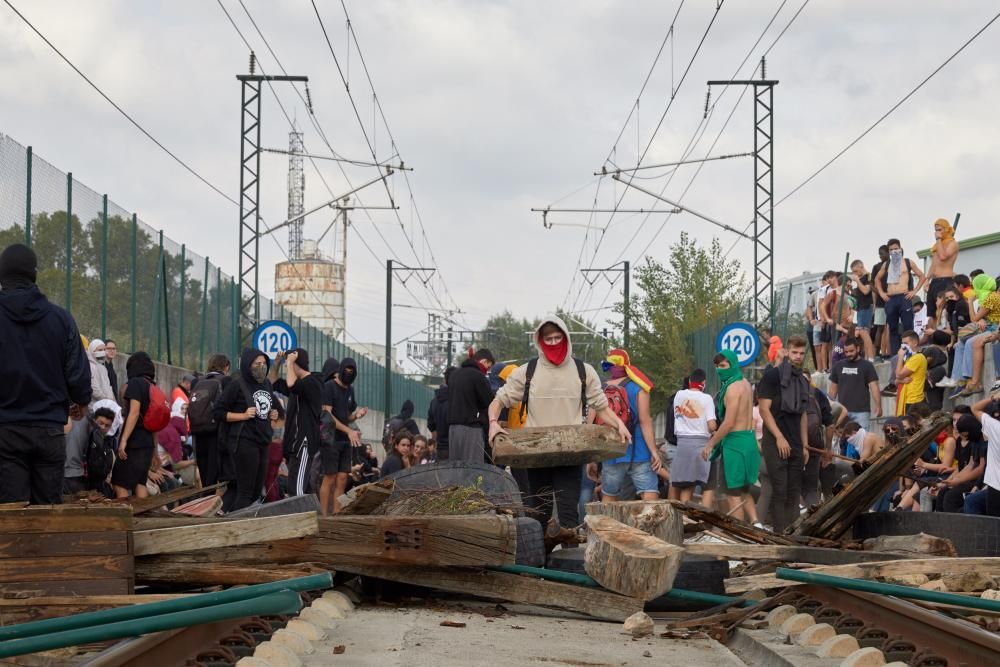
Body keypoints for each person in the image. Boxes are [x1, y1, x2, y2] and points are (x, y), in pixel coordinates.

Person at [488, 316, 630, 531]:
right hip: (536, 455)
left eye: (557, 337)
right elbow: (499, 400)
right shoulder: (527, 371)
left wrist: (619, 424)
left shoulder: (584, 371)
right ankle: (538, 552)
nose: (554, 343)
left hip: (570, 454)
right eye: (548, 339)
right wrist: (492, 422)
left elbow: (601, 407)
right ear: (540, 341)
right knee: (539, 514)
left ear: (566, 337)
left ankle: (569, 553)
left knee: (568, 514)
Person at [0, 244, 92, 504]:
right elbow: (78, 373)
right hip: (49, 430)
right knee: (48, 514)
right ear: (34, 274)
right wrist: (81, 402)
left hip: (5, 430)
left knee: (11, 514)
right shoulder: (61, 319)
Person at [214, 348, 283, 511]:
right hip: (244, 441)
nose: (261, 366)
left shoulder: (266, 384)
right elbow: (218, 412)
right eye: (257, 363)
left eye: (264, 363)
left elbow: (273, 410)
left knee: (256, 491)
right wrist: (243, 415)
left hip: (263, 441)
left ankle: (230, 517)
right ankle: (237, 523)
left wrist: (273, 414)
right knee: (245, 491)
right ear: (247, 365)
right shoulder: (237, 384)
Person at [756, 334, 811, 533]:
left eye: (801, 353)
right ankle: (780, 534)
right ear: (787, 351)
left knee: (794, 493)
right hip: (774, 441)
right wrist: (779, 437)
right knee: (779, 490)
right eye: (794, 352)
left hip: (796, 442)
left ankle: (792, 535)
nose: (798, 356)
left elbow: (803, 414)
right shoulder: (772, 376)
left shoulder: (803, 380)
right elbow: (764, 410)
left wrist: (805, 445)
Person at [701, 350, 762, 526]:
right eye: (717, 366)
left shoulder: (732, 388)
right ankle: (756, 523)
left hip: (735, 444)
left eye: (723, 365)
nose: (719, 370)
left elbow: (728, 423)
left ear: (733, 364)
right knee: (744, 490)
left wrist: (710, 444)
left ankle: (738, 533)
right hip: (748, 440)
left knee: (732, 494)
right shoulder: (746, 384)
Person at [591, 349, 661, 503]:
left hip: (611, 451)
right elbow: (645, 421)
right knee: (649, 496)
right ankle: (650, 520)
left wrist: (591, 458)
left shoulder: (599, 390)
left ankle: (607, 520)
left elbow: (591, 423)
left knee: (609, 496)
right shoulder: (639, 387)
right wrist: (654, 451)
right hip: (639, 451)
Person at [875, 238, 927, 395]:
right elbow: (877, 279)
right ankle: (895, 355)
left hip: (904, 297)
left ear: (900, 248)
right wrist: (882, 293)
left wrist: (914, 291)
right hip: (891, 297)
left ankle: (912, 352)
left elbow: (922, 276)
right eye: (891, 249)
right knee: (891, 328)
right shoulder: (886, 264)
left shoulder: (908, 262)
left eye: (896, 248)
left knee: (908, 327)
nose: (894, 251)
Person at [320, 357, 367, 514]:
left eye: (351, 372)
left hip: (345, 440)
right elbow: (328, 415)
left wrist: (357, 416)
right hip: (330, 438)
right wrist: (349, 431)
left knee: (342, 478)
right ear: (340, 371)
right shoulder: (329, 387)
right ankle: (323, 515)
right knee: (330, 477)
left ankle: (337, 514)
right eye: (346, 371)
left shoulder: (350, 390)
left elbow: (346, 416)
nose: (348, 374)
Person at [274, 349, 323, 497]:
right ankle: (309, 510)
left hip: (304, 443)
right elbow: (273, 382)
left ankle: (307, 512)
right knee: (293, 487)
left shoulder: (312, 382)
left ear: (297, 363)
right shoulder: (298, 384)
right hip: (294, 444)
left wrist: (290, 362)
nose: (286, 367)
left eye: (289, 364)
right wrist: (277, 363)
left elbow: (291, 384)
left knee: (298, 490)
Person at [111, 352, 159, 499]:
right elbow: (155, 424)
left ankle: (127, 513)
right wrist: (155, 451)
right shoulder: (153, 387)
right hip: (147, 443)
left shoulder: (135, 383)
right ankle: (144, 512)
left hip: (134, 442)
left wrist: (124, 440)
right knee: (140, 483)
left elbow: (134, 412)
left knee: (119, 483)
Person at [669, 370, 717, 503]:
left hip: (682, 445)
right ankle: (704, 514)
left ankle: (684, 513)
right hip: (701, 446)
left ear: (690, 382)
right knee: (708, 485)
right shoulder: (707, 398)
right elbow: (711, 426)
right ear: (704, 383)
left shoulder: (679, 395)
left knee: (686, 484)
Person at [189, 354, 231, 486]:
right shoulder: (225, 380)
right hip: (216, 432)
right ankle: (212, 497)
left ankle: (206, 496)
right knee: (216, 475)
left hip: (197, 431)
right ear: (226, 367)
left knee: (205, 475)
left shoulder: (196, 381)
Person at [447, 349, 495, 463]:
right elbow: (489, 403)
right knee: (473, 467)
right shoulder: (478, 376)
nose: (487, 370)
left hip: (452, 430)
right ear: (484, 361)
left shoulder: (454, 375)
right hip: (471, 429)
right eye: (488, 367)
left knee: (456, 467)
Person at [828, 337, 882, 430]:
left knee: (862, 438)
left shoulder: (867, 366)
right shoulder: (838, 366)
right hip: (843, 412)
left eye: (851, 351)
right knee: (843, 439)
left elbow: (874, 387)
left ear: (858, 348)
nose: (848, 354)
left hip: (862, 412)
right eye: (846, 352)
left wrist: (878, 406)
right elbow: (833, 390)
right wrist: (829, 409)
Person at [925, 218, 959, 331]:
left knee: (942, 311)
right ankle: (933, 336)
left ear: (946, 229)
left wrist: (939, 240)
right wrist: (927, 280)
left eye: (939, 230)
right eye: (936, 230)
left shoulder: (952, 243)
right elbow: (934, 263)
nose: (937, 232)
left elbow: (943, 257)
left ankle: (944, 335)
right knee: (932, 313)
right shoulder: (937, 245)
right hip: (934, 282)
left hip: (946, 280)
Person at [970, 393, 1000, 516]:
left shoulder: (995, 427)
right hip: (995, 485)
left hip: (996, 486)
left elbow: (975, 408)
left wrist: (994, 397)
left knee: (994, 524)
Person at [895, 330, 928, 416]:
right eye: (902, 343)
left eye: (906, 343)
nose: (903, 346)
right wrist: (901, 380)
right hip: (907, 399)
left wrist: (900, 357)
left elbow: (898, 374)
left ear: (915, 343)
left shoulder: (917, 357)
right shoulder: (908, 359)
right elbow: (896, 380)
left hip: (915, 401)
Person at [849, 260, 875, 360]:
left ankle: (870, 357)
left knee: (864, 332)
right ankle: (867, 357)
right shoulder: (861, 279)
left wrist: (857, 280)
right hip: (860, 308)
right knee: (863, 333)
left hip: (866, 307)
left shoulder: (868, 276)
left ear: (861, 266)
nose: (855, 274)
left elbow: (866, 291)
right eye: (853, 272)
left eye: (856, 271)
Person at [427, 367, 453, 460]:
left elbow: (431, 425)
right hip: (455, 447)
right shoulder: (457, 400)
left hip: (440, 448)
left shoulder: (434, 401)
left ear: (445, 380)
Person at [871, 245, 891, 360]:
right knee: (880, 327)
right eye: (879, 254)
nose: (880, 256)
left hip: (893, 300)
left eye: (882, 253)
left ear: (888, 253)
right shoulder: (876, 267)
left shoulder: (895, 265)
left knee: (893, 327)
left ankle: (892, 352)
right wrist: (881, 293)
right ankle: (876, 354)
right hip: (880, 302)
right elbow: (871, 284)